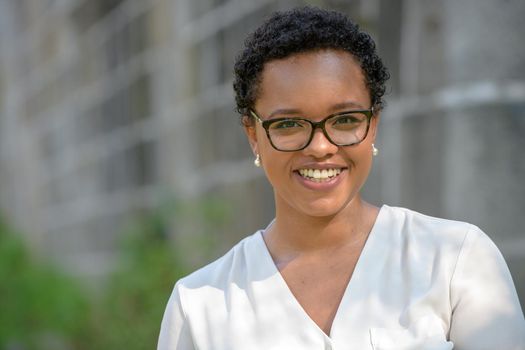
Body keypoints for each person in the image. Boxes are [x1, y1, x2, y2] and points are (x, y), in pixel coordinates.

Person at [158, 7, 525, 350]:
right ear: (253, 135)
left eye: (345, 119)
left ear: (373, 124)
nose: (320, 147)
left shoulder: (453, 260)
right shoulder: (201, 304)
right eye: (288, 124)